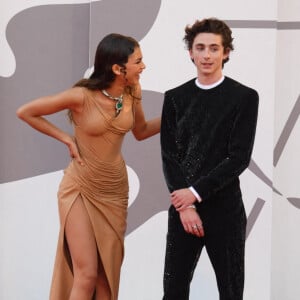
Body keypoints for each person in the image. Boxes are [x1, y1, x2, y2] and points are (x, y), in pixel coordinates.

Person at [17, 33, 160, 300]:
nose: (143, 66)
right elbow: (26, 111)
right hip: (80, 188)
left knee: (107, 276)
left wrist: (176, 116)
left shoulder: (132, 92)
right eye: (138, 61)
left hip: (115, 191)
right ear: (118, 69)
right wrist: (66, 139)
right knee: (87, 273)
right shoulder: (81, 96)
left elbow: (140, 131)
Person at [160, 18, 259, 300]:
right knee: (173, 290)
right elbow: (169, 156)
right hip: (182, 211)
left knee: (230, 291)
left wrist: (194, 194)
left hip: (225, 210)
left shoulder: (244, 97)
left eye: (214, 48)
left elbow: (238, 158)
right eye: (200, 48)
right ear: (190, 52)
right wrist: (184, 206)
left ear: (226, 52)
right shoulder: (175, 98)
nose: (206, 55)